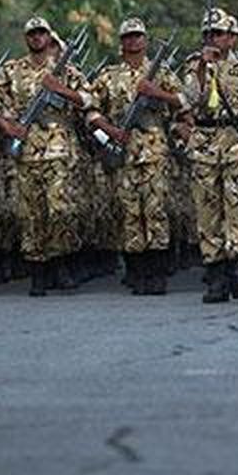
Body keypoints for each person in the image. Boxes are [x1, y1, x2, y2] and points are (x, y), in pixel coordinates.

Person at [0, 16, 94, 295]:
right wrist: (9, 127)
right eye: (32, 34)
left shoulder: (65, 70)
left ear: (49, 37)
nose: (37, 37)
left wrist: (59, 88)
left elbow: (89, 100)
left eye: (42, 33)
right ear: (26, 38)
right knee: (31, 214)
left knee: (60, 211)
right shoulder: (12, 70)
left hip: (59, 150)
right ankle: (39, 271)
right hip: (26, 152)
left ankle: (60, 262)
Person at [88, 17, 187, 295]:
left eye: (138, 36)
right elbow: (91, 110)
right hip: (124, 153)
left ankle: (157, 272)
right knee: (130, 212)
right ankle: (136, 270)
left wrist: (156, 93)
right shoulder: (109, 76)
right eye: (128, 37)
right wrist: (111, 131)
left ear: (145, 40)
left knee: (155, 211)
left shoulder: (161, 73)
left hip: (155, 150)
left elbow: (184, 101)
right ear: (121, 43)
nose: (133, 41)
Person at [180, 7, 238, 302]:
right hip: (205, 143)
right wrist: (203, 69)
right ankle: (215, 273)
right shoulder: (193, 65)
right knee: (208, 211)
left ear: (232, 37)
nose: (212, 39)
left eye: (217, 33)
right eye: (207, 34)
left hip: (236, 142)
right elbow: (188, 100)